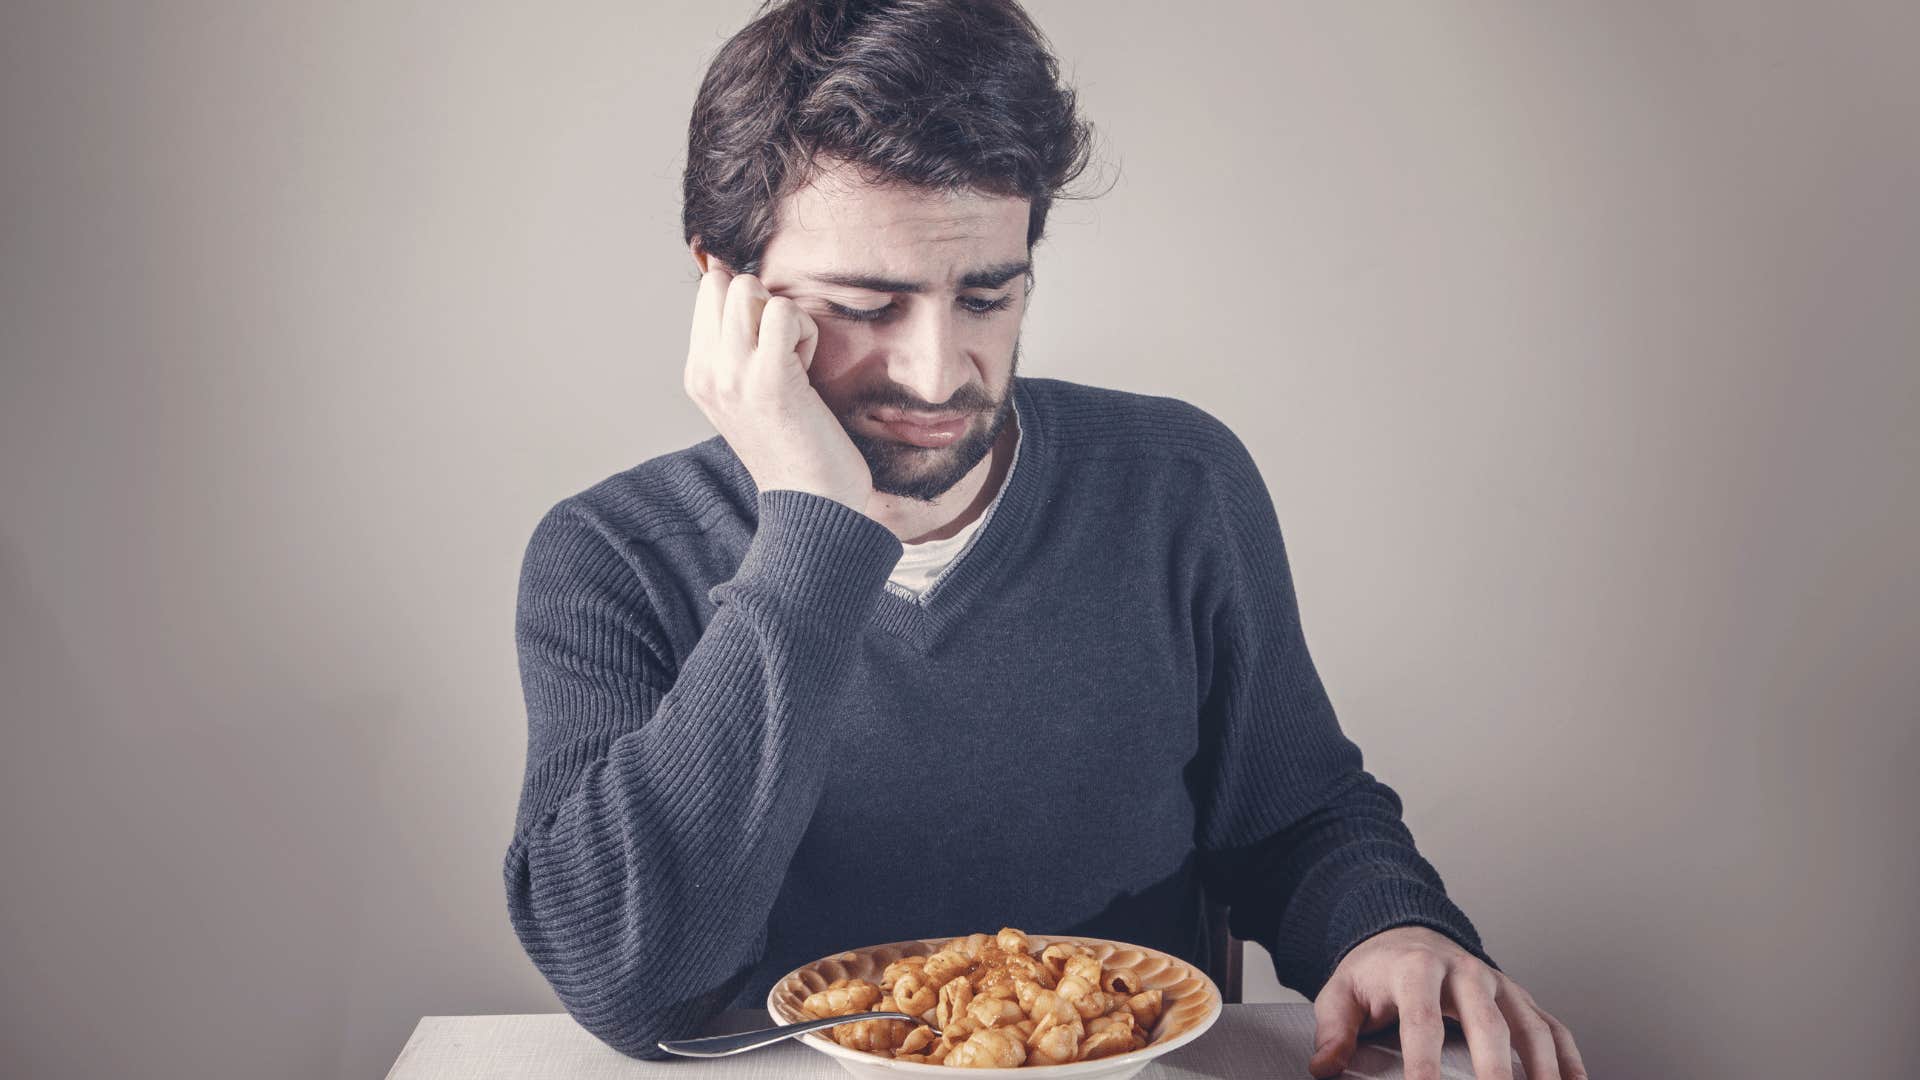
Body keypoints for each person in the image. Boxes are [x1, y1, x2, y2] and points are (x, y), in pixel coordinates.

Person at [504, 2, 1587, 1078]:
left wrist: (1387, 927)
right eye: (866, 306)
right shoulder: (610, 556)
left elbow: (1294, 815)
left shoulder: (1178, 486)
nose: (939, 374)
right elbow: (628, 983)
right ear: (726, 290)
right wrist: (814, 531)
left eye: (987, 296)